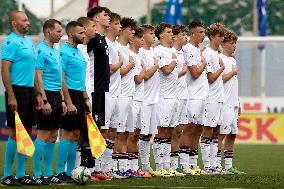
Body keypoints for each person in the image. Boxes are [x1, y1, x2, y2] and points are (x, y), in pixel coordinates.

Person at [1, 10, 37, 186]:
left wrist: (38, 94)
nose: (28, 23)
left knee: (27, 133)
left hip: (30, 92)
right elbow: (5, 70)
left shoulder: (28, 42)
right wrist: (11, 96)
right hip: (17, 91)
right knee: (15, 134)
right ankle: (7, 175)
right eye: (24, 20)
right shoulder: (10, 42)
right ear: (14, 23)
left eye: (28, 20)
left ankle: (21, 174)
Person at [57, 21, 91, 182]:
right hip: (69, 94)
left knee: (76, 134)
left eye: (85, 33)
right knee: (67, 133)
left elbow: (81, 78)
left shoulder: (78, 52)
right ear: (71, 34)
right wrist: (67, 100)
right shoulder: (64, 52)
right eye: (81, 33)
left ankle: (71, 171)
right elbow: (61, 77)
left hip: (79, 96)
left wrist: (85, 98)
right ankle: (59, 171)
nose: (84, 36)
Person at [33, 19, 65, 185]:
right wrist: (43, 99)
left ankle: (48, 173)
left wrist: (64, 100)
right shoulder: (40, 51)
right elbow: (38, 76)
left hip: (57, 97)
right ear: (48, 32)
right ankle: (37, 175)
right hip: (47, 97)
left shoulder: (56, 51)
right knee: (43, 134)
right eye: (58, 31)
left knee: (53, 136)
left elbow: (59, 78)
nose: (61, 34)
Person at [153, 23, 182, 177]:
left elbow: (178, 73)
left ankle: (167, 165)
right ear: (161, 35)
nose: (172, 34)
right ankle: (159, 166)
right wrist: (174, 61)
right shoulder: (158, 51)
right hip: (163, 97)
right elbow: (166, 70)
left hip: (175, 96)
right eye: (169, 32)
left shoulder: (172, 51)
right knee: (162, 131)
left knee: (170, 131)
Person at [179, 21, 208, 175]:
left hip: (202, 95)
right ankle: (183, 165)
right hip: (193, 96)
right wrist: (203, 63)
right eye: (201, 32)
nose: (204, 35)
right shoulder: (188, 49)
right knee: (189, 129)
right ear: (193, 33)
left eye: (204, 32)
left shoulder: (197, 50)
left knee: (198, 130)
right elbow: (195, 73)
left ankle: (192, 164)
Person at [86, 6, 111, 174]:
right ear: (95, 19)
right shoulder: (93, 40)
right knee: (92, 128)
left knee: (100, 128)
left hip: (103, 90)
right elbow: (86, 63)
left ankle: (97, 167)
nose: (108, 17)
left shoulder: (103, 39)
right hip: (94, 89)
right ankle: (88, 167)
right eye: (105, 15)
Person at [113, 17, 137, 177]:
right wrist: (129, 66)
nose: (133, 32)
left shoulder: (129, 50)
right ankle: (113, 166)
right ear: (122, 30)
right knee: (117, 133)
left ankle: (123, 167)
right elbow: (116, 73)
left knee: (127, 132)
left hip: (131, 96)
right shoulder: (115, 48)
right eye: (130, 29)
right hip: (120, 96)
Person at [219, 29, 245, 174]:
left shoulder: (233, 60)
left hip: (233, 103)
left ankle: (229, 166)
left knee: (232, 134)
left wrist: (238, 102)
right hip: (223, 103)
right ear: (223, 43)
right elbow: (218, 80)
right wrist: (232, 73)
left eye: (235, 43)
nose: (234, 45)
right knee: (221, 135)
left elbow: (233, 84)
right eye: (231, 43)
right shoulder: (219, 58)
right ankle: (216, 165)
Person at [126, 27, 152, 178]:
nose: (143, 40)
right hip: (133, 99)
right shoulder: (131, 55)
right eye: (140, 37)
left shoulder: (137, 55)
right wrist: (143, 68)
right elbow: (138, 79)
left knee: (135, 134)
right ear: (134, 39)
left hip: (140, 99)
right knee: (130, 134)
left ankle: (134, 167)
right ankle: (127, 167)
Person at [201, 23, 225, 174]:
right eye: (219, 35)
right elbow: (210, 78)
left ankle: (215, 163)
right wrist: (221, 68)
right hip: (210, 98)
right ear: (211, 37)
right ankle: (207, 165)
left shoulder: (217, 53)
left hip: (219, 97)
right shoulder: (207, 54)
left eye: (222, 35)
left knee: (216, 132)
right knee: (208, 130)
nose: (222, 38)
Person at [103, 12, 123, 178]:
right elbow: (109, 69)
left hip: (117, 94)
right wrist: (122, 63)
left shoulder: (115, 45)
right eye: (117, 24)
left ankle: (107, 167)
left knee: (113, 131)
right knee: (102, 131)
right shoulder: (105, 44)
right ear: (109, 26)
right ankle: (97, 166)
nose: (120, 27)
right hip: (106, 93)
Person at [75, 16, 96, 174]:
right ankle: (75, 168)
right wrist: (85, 97)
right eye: (92, 27)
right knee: (78, 134)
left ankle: (87, 168)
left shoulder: (85, 49)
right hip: (80, 97)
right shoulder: (77, 51)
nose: (95, 29)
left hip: (89, 96)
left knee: (88, 133)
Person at [138, 24, 159, 173]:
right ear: (143, 36)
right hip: (143, 99)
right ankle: (128, 165)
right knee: (139, 133)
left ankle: (145, 164)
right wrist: (154, 67)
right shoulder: (140, 52)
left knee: (149, 133)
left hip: (154, 99)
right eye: (151, 33)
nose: (154, 35)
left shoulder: (152, 51)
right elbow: (143, 76)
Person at [171, 24, 188, 171]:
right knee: (171, 130)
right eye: (183, 35)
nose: (186, 37)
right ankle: (167, 164)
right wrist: (183, 72)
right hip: (172, 96)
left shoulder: (183, 53)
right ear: (175, 37)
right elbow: (167, 76)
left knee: (179, 130)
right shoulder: (170, 52)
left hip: (183, 96)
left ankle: (176, 165)